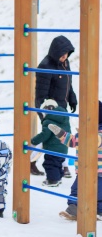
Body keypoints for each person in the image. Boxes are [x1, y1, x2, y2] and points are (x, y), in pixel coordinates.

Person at [48, 101, 102, 221]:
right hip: (84, 170)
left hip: (99, 171)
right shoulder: (83, 133)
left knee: (99, 193)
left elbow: (95, 141)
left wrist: (86, 133)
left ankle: (99, 211)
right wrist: (60, 133)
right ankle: (73, 209)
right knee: (76, 190)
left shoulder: (97, 134)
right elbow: (72, 141)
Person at [33, 35, 78, 178]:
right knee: (50, 137)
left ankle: (62, 165)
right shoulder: (45, 66)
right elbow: (41, 94)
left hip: (62, 108)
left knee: (62, 137)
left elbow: (68, 84)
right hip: (50, 110)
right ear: (55, 51)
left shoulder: (65, 64)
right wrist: (44, 113)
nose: (65, 56)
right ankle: (30, 160)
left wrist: (72, 98)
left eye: (67, 54)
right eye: (62, 54)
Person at [31, 99, 71, 187]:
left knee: (50, 164)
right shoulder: (64, 117)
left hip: (53, 148)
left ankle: (53, 180)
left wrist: (34, 140)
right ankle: (58, 178)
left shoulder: (48, 121)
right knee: (58, 163)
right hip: (63, 147)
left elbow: (45, 134)